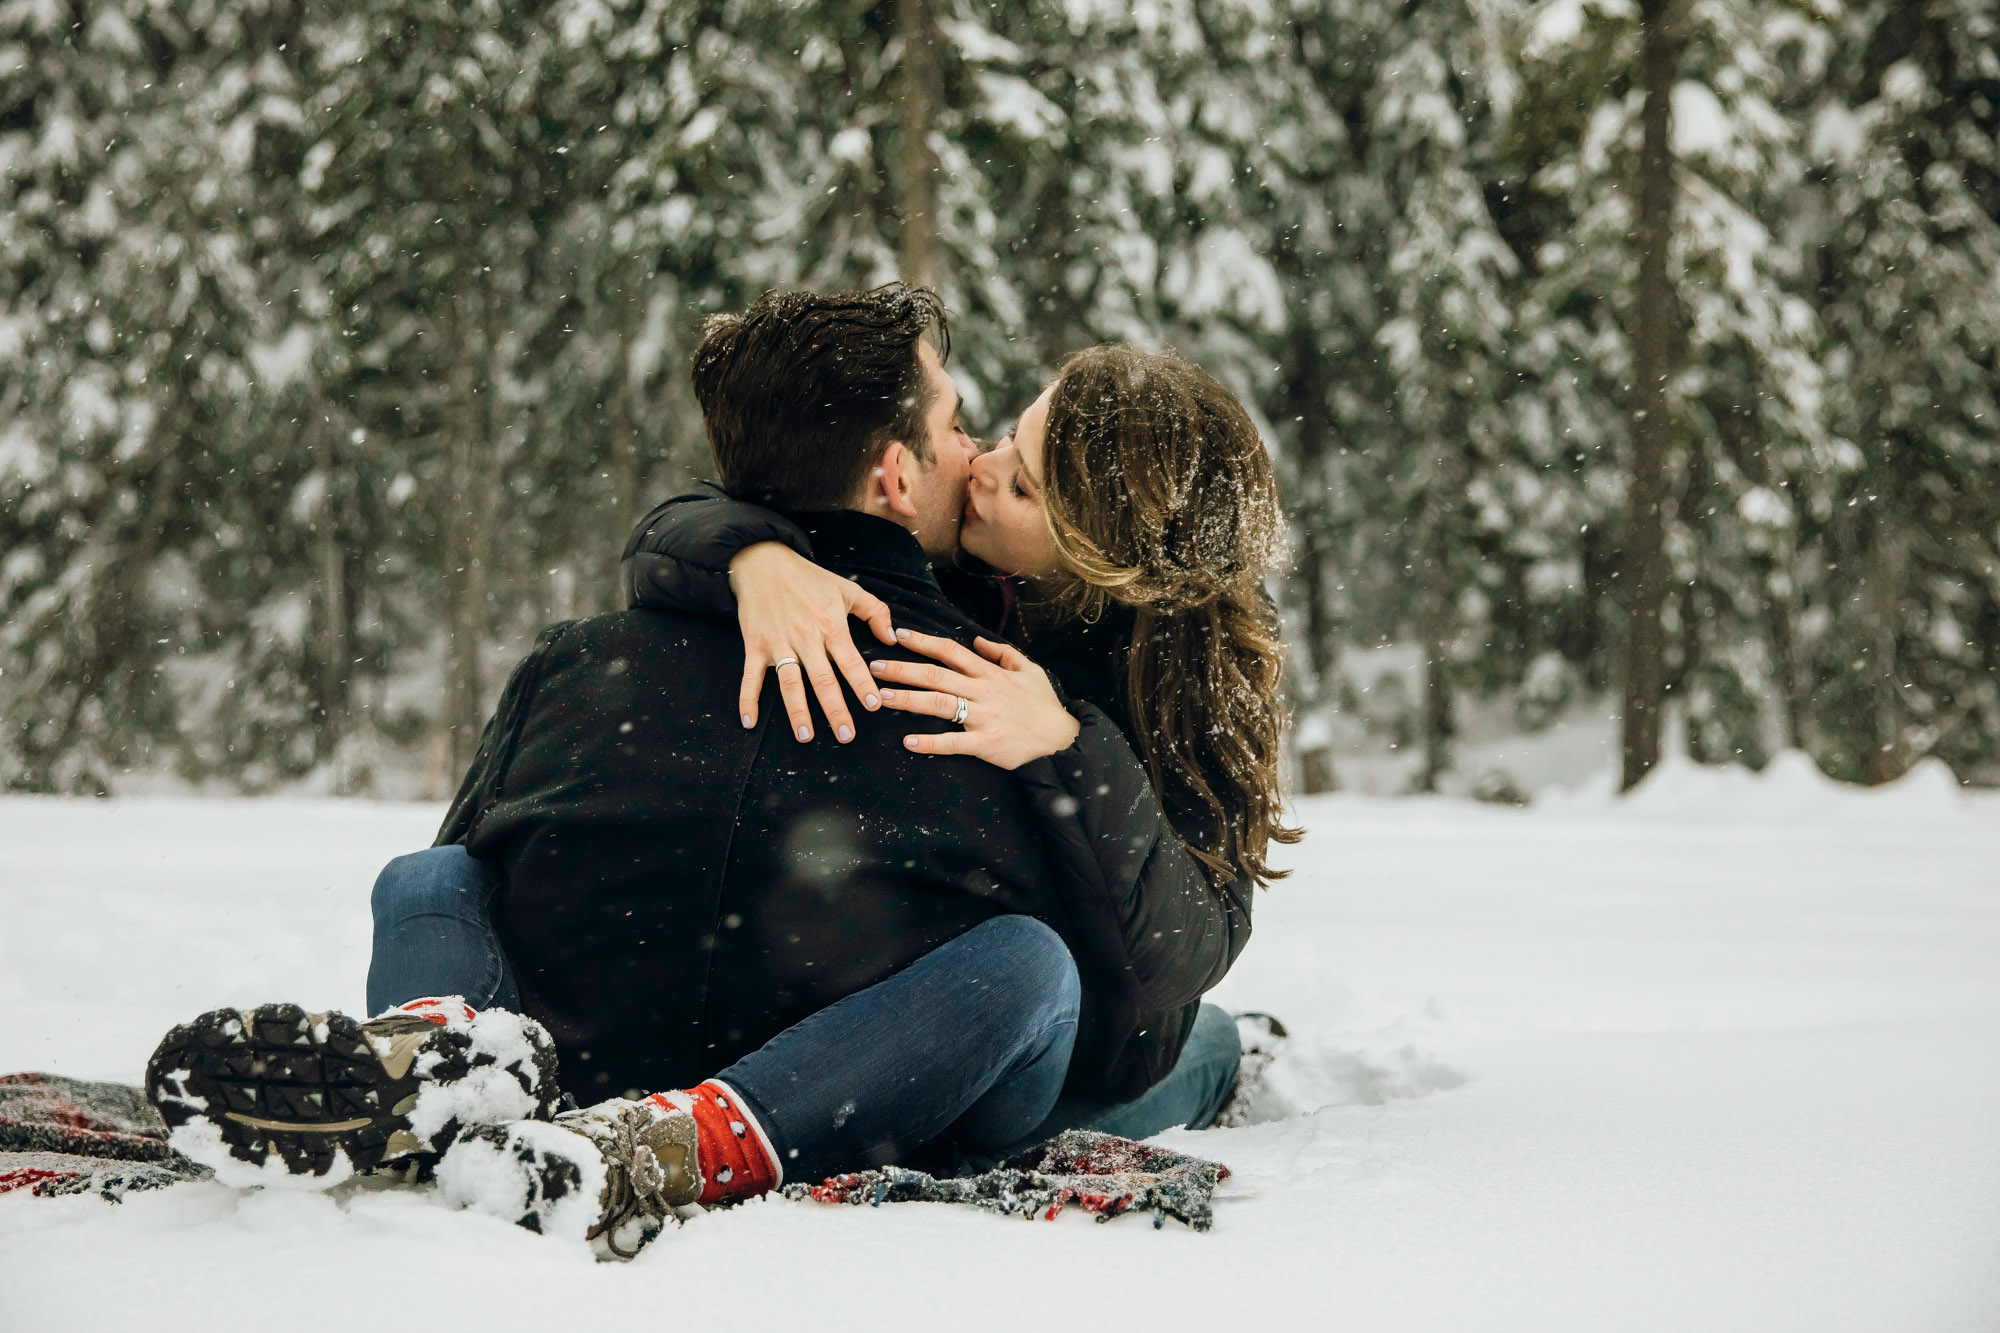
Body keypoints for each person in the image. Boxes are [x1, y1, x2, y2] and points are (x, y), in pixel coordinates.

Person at [145, 286, 1283, 1255]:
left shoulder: (1132, 697)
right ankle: (444, 1062)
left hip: (1107, 1004)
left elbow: (1160, 975)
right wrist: (748, 555)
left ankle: (574, 1093)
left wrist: (1072, 752)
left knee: (1191, 1033)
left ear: (1103, 554)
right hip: (912, 1044)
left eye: (1021, 479)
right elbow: (720, 503)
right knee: (428, 871)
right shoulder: (938, 606)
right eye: (986, 433)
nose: (979, 465)